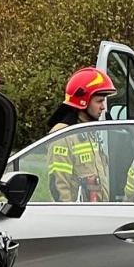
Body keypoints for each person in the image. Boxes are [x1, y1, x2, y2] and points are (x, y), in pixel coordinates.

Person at [44, 66, 115, 202]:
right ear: (83, 101)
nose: (103, 107)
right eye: (99, 101)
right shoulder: (63, 135)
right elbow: (59, 186)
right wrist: (69, 217)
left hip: (96, 214)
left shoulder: (87, 132)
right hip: (78, 218)